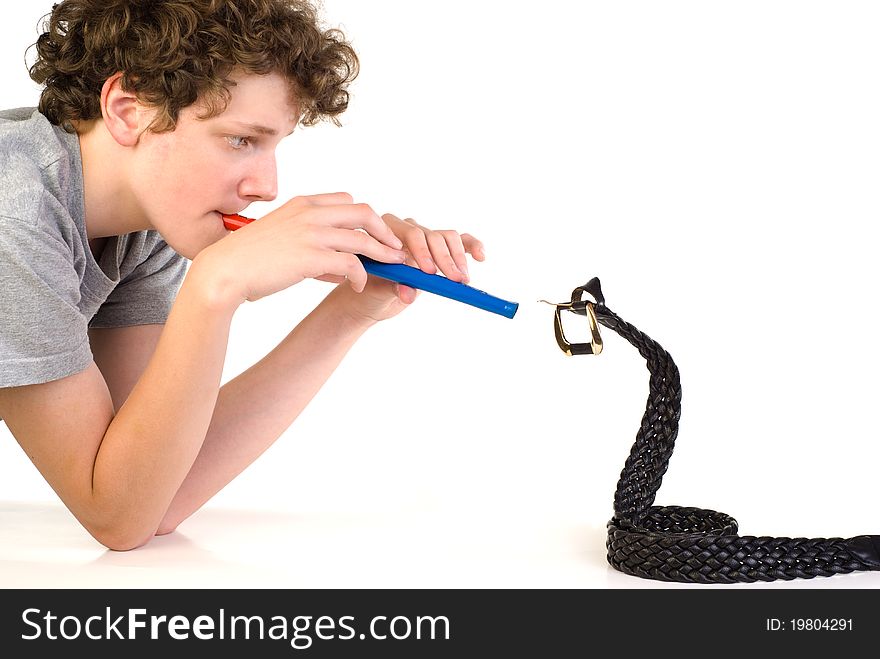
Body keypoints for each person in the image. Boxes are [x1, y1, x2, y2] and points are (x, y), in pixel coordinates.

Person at [0, 0, 484, 551]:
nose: (266, 187)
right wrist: (215, 286)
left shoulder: (146, 224)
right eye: (240, 140)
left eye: (273, 145)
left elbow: (150, 489)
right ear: (129, 111)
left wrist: (352, 310)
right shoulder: (13, 215)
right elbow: (115, 518)